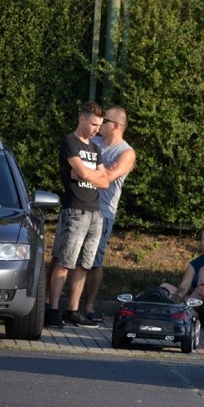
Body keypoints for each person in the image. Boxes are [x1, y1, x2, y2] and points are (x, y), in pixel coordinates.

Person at [45, 101, 110, 328]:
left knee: (85, 263)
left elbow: (105, 181)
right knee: (65, 261)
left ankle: (72, 310)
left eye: (99, 126)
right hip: (75, 210)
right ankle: (52, 309)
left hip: (95, 212)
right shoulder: (69, 142)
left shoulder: (95, 149)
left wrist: (86, 175)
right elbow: (84, 173)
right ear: (81, 119)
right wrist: (91, 174)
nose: (96, 129)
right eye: (93, 124)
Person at [81, 106, 136, 324]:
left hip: (103, 212)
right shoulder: (94, 143)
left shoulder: (126, 152)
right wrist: (98, 172)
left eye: (104, 121)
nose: (99, 124)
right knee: (69, 258)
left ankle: (89, 307)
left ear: (115, 125)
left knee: (95, 260)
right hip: (82, 204)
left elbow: (109, 177)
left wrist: (88, 172)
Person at [161, 221, 204, 320]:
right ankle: (181, 308)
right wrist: (178, 297)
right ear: (201, 242)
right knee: (164, 287)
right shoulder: (194, 264)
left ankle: (181, 309)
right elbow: (185, 285)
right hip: (192, 300)